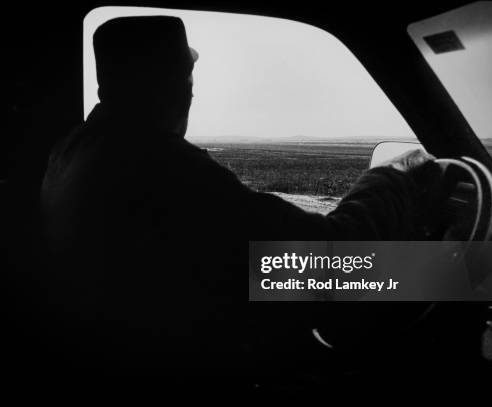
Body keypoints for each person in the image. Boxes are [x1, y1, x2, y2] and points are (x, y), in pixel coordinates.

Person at [40, 16, 437, 376]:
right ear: (181, 86)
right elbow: (328, 266)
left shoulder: (74, 150)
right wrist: (391, 177)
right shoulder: (163, 169)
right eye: (188, 80)